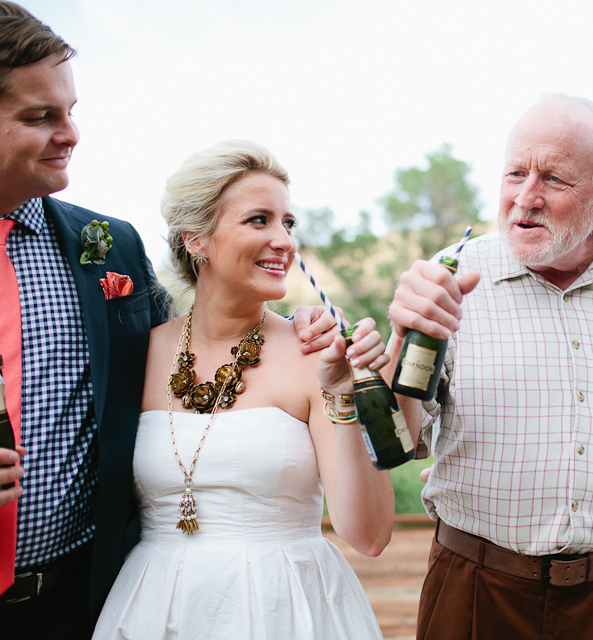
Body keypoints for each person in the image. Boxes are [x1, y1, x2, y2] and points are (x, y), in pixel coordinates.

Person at [0, 3, 338, 637]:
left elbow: (201, 335)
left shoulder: (109, 247)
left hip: (87, 600)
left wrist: (304, 336)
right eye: (40, 116)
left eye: (71, 111)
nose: (70, 133)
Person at [385, 94, 593, 639]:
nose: (526, 197)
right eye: (515, 173)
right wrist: (402, 340)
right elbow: (398, 439)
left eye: (554, 179)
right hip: (476, 588)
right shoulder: (451, 278)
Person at [92, 140, 394, 640]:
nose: (284, 240)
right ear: (196, 239)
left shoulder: (316, 355)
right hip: (155, 610)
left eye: (288, 223)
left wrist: (345, 394)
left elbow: (370, 535)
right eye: (260, 220)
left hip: (289, 610)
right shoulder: (137, 354)